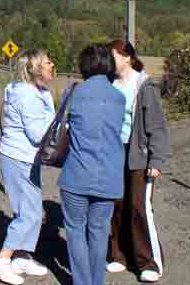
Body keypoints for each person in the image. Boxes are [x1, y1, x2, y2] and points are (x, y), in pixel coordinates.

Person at [0, 49, 55, 285]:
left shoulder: (36, 91)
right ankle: (2, 261)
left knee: (27, 210)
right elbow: (37, 134)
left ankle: (22, 256)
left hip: (23, 157)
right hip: (19, 157)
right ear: (35, 68)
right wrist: (59, 122)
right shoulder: (27, 95)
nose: (52, 65)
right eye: (48, 62)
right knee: (30, 214)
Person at [58, 44, 126, 285]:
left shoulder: (74, 91)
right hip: (109, 177)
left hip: (76, 174)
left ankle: (81, 281)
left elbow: (61, 127)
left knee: (76, 231)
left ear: (84, 65)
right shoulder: (119, 97)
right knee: (99, 233)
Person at [106, 40, 170, 283]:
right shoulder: (110, 83)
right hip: (114, 153)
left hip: (139, 155)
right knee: (116, 205)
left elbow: (156, 126)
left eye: (113, 56)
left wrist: (157, 159)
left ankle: (148, 261)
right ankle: (118, 255)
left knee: (138, 207)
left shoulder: (143, 85)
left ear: (126, 57)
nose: (109, 61)